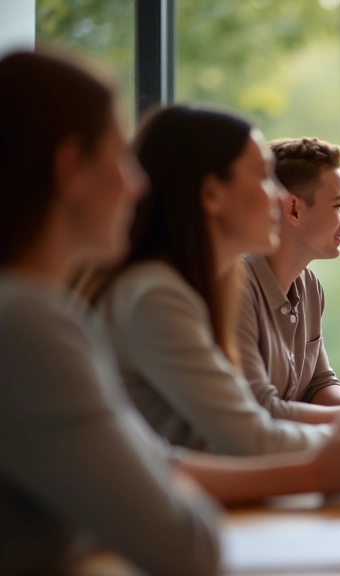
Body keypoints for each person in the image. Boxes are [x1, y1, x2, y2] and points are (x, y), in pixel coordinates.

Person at [0, 50, 220, 576]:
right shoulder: (29, 325)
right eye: (121, 158)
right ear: (70, 168)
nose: (137, 185)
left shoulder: (40, 311)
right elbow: (189, 546)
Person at [90, 105, 340, 455]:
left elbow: (246, 427)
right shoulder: (157, 295)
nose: (280, 197)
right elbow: (251, 433)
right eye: (263, 177)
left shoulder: (204, 285)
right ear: (212, 195)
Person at [236, 136, 340, 424]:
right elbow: (257, 409)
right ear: (293, 209)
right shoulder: (235, 289)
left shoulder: (309, 285)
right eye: (338, 206)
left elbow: (317, 385)